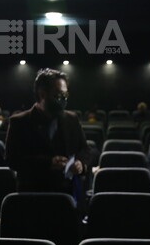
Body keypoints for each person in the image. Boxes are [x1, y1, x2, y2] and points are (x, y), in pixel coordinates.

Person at [5, 68, 90, 196]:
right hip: (33, 194)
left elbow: (85, 150)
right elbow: (12, 160)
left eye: (65, 95)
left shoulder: (71, 119)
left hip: (68, 194)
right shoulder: (19, 122)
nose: (63, 100)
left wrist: (81, 164)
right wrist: (48, 163)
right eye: (58, 95)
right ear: (42, 94)